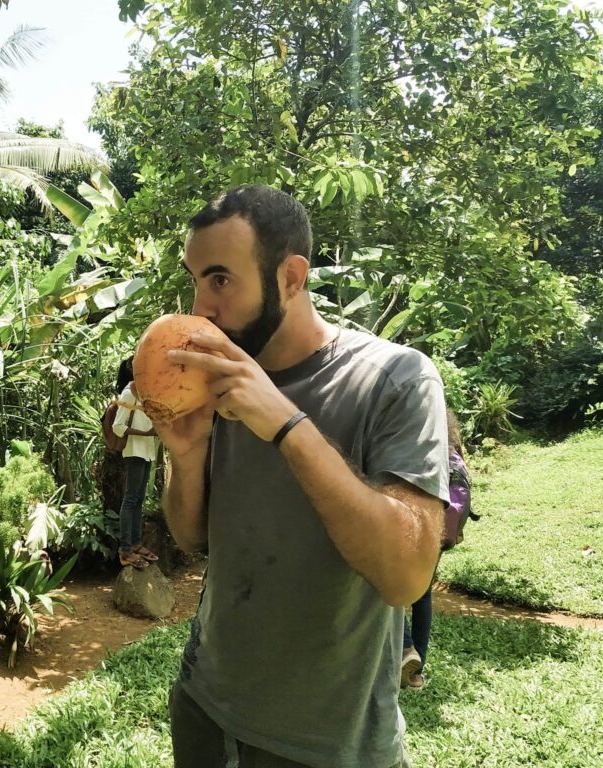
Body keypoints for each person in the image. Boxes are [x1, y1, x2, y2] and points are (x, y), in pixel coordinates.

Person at [153, 185, 449, 768]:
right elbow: (192, 539)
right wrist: (187, 456)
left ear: (290, 277)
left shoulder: (396, 379)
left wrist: (287, 424)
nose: (200, 307)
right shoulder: (219, 377)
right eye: (196, 281)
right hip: (205, 707)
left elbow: (406, 577)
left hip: (326, 743)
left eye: (220, 279)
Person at [401, 410, 471, 690]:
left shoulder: (422, 448)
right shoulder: (454, 452)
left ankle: (406, 647)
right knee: (423, 594)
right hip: (441, 535)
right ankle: (416, 673)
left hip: (419, 528)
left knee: (383, 582)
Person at [112, 357, 160, 569]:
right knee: (131, 499)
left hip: (146, 451)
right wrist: (146, 433)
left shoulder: (144, 393)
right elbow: (117, 426)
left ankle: (136, 543)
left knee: (138, 498)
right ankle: (126, 550)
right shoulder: (128, 393)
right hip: (134, 451)